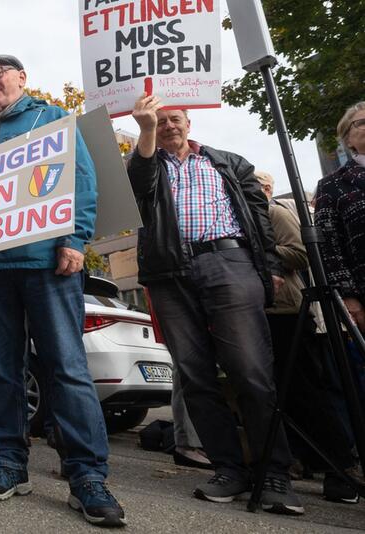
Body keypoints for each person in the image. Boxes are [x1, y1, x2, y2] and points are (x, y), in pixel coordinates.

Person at [0, 55, 124, 527]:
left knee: (66, 366)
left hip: (47, 263)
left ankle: (86, 476)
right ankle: (8, 462)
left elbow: (82, 179)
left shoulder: (54, 119)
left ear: (22, 79)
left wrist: (76, 237)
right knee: (2, 369)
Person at [128, 94, 302, 515]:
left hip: (230, 262)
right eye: (160, 121)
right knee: (195, 375)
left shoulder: (228, 162)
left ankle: (274, 472)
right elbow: (138, 185)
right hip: (171, 273)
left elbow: (259, 218)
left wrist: (270, 267)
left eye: (174, 119)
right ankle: (229, 468)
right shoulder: (145, 162)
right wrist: (144, 128)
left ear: (189, 122)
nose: (168, 126)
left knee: (251, 371)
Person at [259, 170, 362, 503]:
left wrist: (259, 252)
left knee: (307, 390)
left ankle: (342, 467)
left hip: (287, 311)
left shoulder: (272, 212)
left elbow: (302, 252)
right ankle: (308, 460)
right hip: (255, 313)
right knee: (278, 393)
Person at [315, 101, 365, 334]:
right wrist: (348, 296)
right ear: (348, 139)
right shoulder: (332, 185)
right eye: (362, 122)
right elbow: (329, 245)